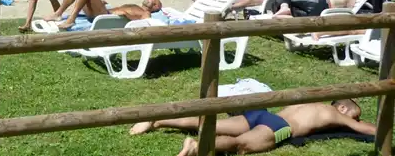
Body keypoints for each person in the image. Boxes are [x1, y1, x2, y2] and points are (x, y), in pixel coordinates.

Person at [130, 99, 373, 156]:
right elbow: (367, 130)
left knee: (206, 123)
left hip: (262, 115)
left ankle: (157, 120)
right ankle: (196, 146)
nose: (356, 120)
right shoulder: (335, 114)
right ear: (342, 108)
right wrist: (371, 126)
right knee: (241, 145)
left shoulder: (309, 100)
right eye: (356, 114)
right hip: (280, 126)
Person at [43, 0, 163, 28]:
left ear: (156, 6)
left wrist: (126, 15)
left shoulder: (146, 13)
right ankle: (58, 14)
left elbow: (144, 24)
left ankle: (71, 19)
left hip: (105, 17)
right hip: (104, 12)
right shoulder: (136, 6)